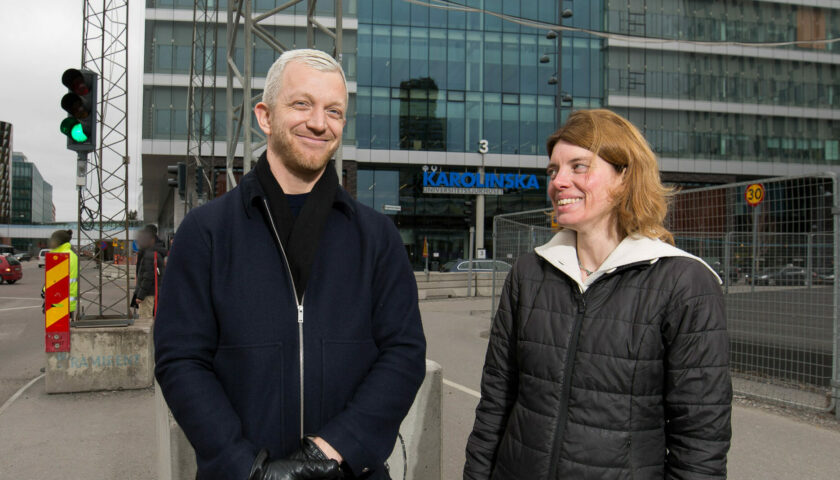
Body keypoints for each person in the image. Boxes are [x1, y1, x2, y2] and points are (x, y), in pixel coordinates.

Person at [154, 49, 427, 480]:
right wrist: (248, 469)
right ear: (264, 116)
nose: (319, 123)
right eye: (302, 104)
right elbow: (180, 360)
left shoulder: (377, 238)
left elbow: (404, 354)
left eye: (333, 111)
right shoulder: (204, 233)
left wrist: (328, 453)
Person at [464, 109, 732, 479]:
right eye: (553, 170)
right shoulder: (528, 274)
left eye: (579, 166)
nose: (559, 181)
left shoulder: (684, 282)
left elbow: (701, 439)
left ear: (625, 175)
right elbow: (495, 402)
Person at [43, 230, 79, 320]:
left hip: (59, 302)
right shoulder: (72, 255)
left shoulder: (60, 256)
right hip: (67, 301)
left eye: (53, 240)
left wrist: (44, 291)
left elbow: (56, 281)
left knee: (58, 332)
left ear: (59, 241)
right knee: (65, 331)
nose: (51, 242)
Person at [132, 228, 167, 318]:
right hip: (152, 292)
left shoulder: (150, 255)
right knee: (151, 318)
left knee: (145, 319)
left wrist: (140, 295)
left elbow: (148, 277)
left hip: (148, 294)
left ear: (151, 240)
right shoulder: (154, 253)